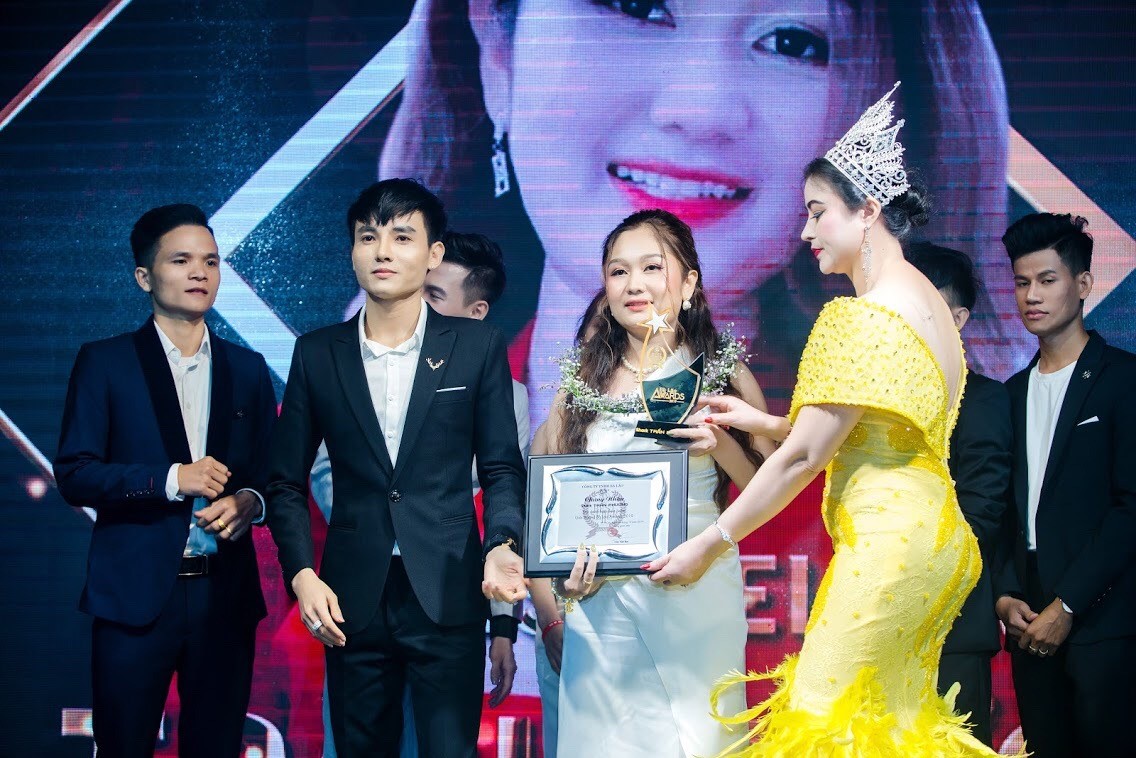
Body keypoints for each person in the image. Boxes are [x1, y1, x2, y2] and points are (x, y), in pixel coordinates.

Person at [380, 0, 1027, 430]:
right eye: (636, 5)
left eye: (791, 42)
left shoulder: (883, 461)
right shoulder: (402, 426)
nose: (700, 107)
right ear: (498, 51)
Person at [648, 85, 1008, 754]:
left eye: (818, 213)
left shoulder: (859, 315)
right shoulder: (925, 303)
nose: (805, 233)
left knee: (820, 720)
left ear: (868, 210)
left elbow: (804, 458)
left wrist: (708, 544)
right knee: (892, 730)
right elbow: (879, 426)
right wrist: (765, 421)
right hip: (939, 543)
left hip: (891, 545)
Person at [266, 179, 527, 758]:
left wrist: (502, 543)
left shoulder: (477, 345)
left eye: (402, 237)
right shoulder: (317, 351)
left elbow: (502, 469)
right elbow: (284, 480)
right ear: (353, 251)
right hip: (349, 597)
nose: (383, 251)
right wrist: (302, 575)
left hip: (449, 586)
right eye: (369, 237)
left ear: (433, 253)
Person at [532, 208, 774, 756]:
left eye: (651, 267)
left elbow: (768, 489)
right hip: (601, 608)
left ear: (688, 283)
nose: (633, 284)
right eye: (618, 271)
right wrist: (562, 591)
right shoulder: (578, 387)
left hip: (696, 595)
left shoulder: (722, 374)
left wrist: (720, 445)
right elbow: (550, 504)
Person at [54, 204, 276, 756]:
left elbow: (271, 473)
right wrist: (173, 479)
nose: (200, 272)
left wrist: (251, 501)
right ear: (144, 277)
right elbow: (76, 474)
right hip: (134, 596)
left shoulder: (247, 368)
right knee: (123, 745)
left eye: (211, 261)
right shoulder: (105, 363)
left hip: (224, 596)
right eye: (181, 260)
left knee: (216, 745)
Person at [994, 213, 1136, 757]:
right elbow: (1004, 511)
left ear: (1083, 284)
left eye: (1047, 280)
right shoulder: (1009, 395)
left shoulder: (1124, 380)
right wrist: (1004, 595)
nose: (1031, 295)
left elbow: (1131, 507)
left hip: (1106, 617)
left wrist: (1070, 604)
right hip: (1028, 620)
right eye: (1021, 282)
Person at [906, 242, 1011, 746]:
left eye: (927, 306)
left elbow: (983, 509)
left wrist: (909, 563)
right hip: (875, 617)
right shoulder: (872, 400)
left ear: (959, 318)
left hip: (952, 620)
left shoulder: (984, 399)